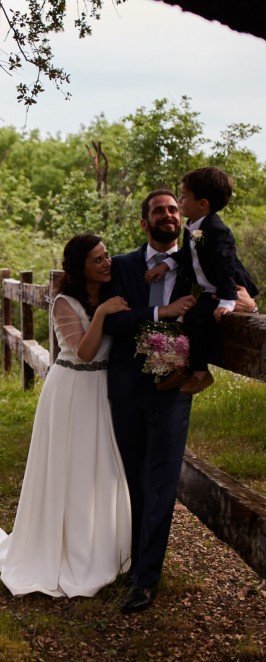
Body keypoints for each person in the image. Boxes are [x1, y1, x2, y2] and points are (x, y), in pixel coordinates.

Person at [0, 233, 132, 598]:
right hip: (72, 390)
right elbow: (85, 352)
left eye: (107, 256)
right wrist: (103, 314)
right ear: (80, 266)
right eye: (98, 260)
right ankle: (58, 549)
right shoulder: (64, 302)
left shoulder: (111, 289)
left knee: (100, 468)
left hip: (102, 392)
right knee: (68, 468)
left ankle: (101, 547)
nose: (107, 263)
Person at [103, 189, 258, 614]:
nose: (169, 214)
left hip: (174, 388)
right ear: (144, 222)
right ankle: (130, 560)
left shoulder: (199, 257)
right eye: (159, 210)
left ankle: (146, 578)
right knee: (133, 477)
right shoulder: (122, 266)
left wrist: (234, 301)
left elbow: (245, 294)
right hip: (126, 386)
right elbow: (112, 319)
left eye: (174, 208)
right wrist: (161, 313)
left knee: (162, 480)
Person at [144, 167, 259, 394]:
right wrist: (165, 264)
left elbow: (226, 268)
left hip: (227, 288)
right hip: (211, 290)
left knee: (195, 319)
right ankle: (190, 369)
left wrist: (227, 302)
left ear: (203, 204)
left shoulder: (217, 231)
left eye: (184, 196)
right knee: (190, 318)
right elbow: (187, 255)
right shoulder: (193, 227)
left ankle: (200, 373)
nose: (180, 200)